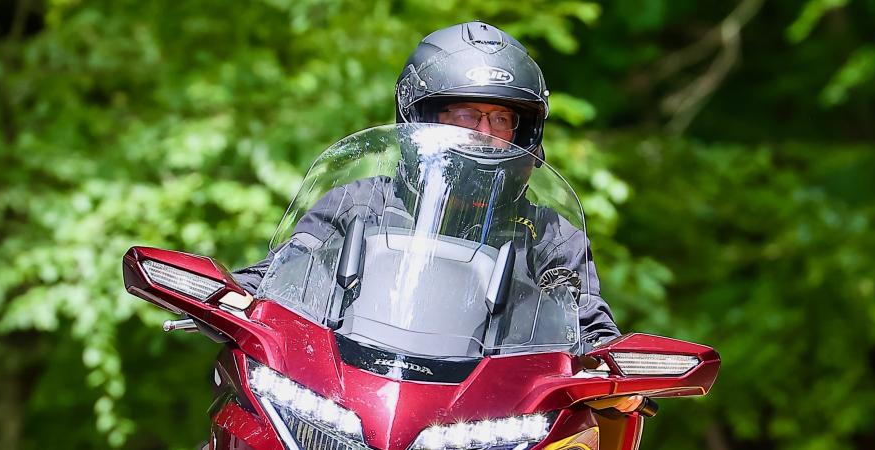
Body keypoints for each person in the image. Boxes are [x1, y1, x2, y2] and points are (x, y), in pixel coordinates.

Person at [234, 21, 619, 347]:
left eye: (501, 120)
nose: (485, 133)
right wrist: (228, 294)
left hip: (488, 415)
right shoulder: (359, 204)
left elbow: (590, 326)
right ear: (421, 118)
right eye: (467, 116)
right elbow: (278, 274)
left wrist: (612, 365)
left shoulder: (549, 236)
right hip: (348, 387)